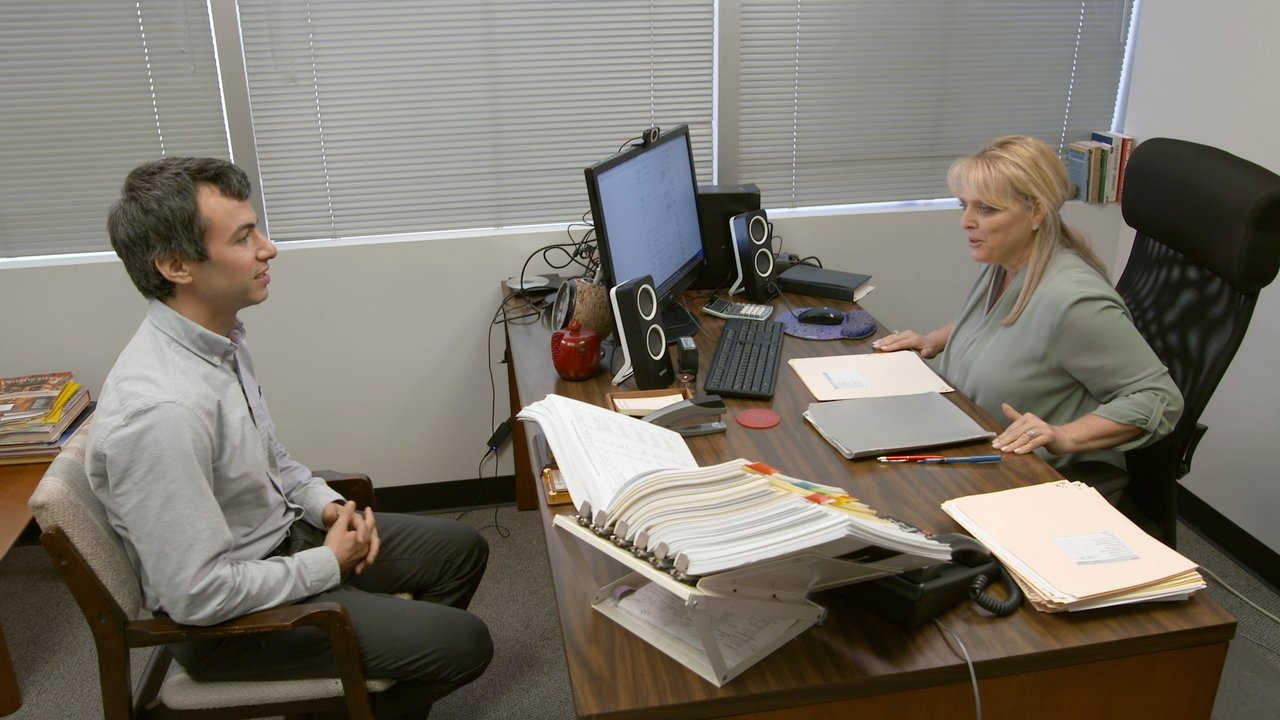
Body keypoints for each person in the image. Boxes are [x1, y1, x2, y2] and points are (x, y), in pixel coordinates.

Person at [88, 156, 492, 719]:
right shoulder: (161, 413)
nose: (269, 249)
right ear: (177, 266)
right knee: (466, 644)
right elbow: (197, 596)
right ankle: (350, 686)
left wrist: (326, 506)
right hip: (230, 628)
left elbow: (269, 458)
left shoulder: (218, 339)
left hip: (282, 542)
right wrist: (327, 566)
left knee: (461, 551)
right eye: (244, 238)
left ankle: (362, 687)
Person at [872, 135, 1183, 472]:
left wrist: (1064, 435)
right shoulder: (1003, 261)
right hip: (970, 440)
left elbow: (1160, 399)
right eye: (965, 206)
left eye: (986, 209)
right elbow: (998, 326)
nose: (966, 221)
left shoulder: (1073, 300)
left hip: (1034, 474)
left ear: (1035, 210)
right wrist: (933, 339)